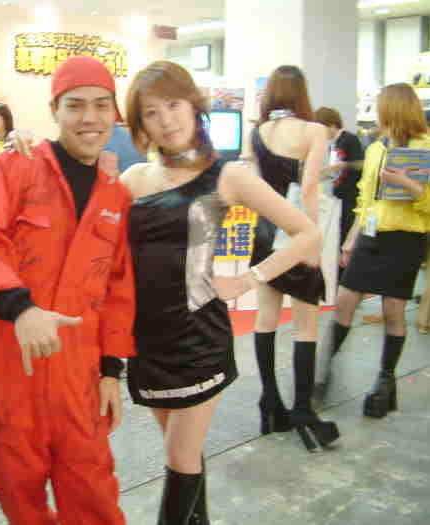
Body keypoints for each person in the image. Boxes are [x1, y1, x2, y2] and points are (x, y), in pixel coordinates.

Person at [120, 60, 321, 525]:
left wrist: (251, 279)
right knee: (185, 456)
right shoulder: (132, 180)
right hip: (147, 342)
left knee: (179, 458)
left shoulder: (228, 176)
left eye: (173, 105)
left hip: (199, 339)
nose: (166, 120)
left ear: (194, 106)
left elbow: (306, 233)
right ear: (140, 124)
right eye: (151, 112)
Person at [0, 56, 135, 525]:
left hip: (78, 377)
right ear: (55, 110)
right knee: (23, 504)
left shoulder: (116, 195)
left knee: (95, 498)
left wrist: (111, 370)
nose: (90, 117)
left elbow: (118, 289)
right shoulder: (17, 168)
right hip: (8, 372)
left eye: (101, 105)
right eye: (75, 105)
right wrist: (20, 309)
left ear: (115, 112)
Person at [321, 83, 430, 418]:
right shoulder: (374, 149)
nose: (376, 115)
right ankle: (321, 372)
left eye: (381, 108)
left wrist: (407, 185)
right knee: (345, 302)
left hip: (406, 239)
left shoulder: (426, 147)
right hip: (370, 237)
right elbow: (366, 201)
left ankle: (385, 381)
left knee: (393, 311)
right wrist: (351, 239)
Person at [249, 65, 340, 451]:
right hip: (295, 233)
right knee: (306, 327)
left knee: (265, 318)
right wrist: (312, 242)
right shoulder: (313, 130)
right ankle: (303, 410)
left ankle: (270, 402)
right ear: (302, 93)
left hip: (263, 233)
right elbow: (308, 189)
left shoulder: (258, 132)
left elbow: (256, 187)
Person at [314, 107, 364, 248]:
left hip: (351, 196)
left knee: (347, 233)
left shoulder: (350, 139)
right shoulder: (333, 144)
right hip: (339, 196)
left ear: (332, 125)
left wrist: (342, 166)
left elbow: (362, 164)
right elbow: (335, 170)